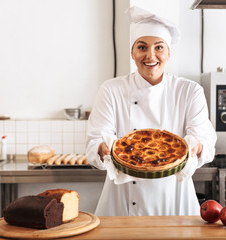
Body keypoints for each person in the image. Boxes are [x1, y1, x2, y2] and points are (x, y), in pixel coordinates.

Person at [86, 6, 217, 216]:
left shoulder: (190, 91)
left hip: (175, 200)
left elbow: (204, 140)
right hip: (122, 204)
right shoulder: (111, 90)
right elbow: (93, 143)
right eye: (142, 47)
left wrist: (195, 146)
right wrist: (105, 148)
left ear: (168, 53)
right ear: (132, 52)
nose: (150, 56)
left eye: (159, 47)